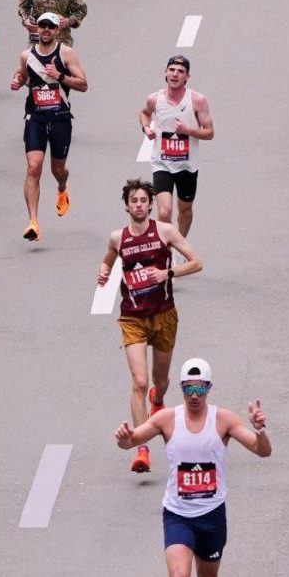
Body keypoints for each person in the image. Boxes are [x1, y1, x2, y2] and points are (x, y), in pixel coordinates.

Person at [112, 358, 272, 577]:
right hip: (178, 515)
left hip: (211, 516)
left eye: (199, 389)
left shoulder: (224, 420)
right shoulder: (167, 419)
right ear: (181, 388)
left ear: (209, 388)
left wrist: (260, 430)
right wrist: (124, 437)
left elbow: (262, 451)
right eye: (189, 389)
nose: (194, 395)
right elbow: (131, 441)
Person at [97, 180, 205, 473]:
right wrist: (104, 272)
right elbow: (108, 261)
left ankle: (157, 401)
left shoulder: (165, 232)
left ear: (150, 205)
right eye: (134, 201)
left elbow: (197, 263)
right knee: (140, 382)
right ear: (127, 206)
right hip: (132, 317)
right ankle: (141, 448)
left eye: (143, 200)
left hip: (164, 314)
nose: (139, 205)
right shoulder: (118, 238)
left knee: (160, 381)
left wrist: (167, 273)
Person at [8, 13, 89, 240]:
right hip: (35, 118)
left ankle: (62, 187)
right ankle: (33, 222)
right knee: (33, 168)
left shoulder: (66, 53)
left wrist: (59, 75)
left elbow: (83, 84)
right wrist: (17, 81)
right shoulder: (27, 55)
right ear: (37, 28)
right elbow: (22, 75)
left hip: (60, 118)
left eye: (50, 26)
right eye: (42, 25)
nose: (45, 30)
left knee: (57, 170)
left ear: (57, 30)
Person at [141, 55, 215, 233]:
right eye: (171, 70)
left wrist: (188, 131)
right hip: (162, 163)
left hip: (187, 166)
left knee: (185, 211)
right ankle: (165, 246)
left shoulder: (197, 100)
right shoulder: (154, 99)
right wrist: (146, 128)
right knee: (164, 212)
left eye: (180, 71)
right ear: (165, 72)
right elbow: (145, 113)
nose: (175, 74)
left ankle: (179, 243)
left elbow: (209, 132)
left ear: (187, 77)